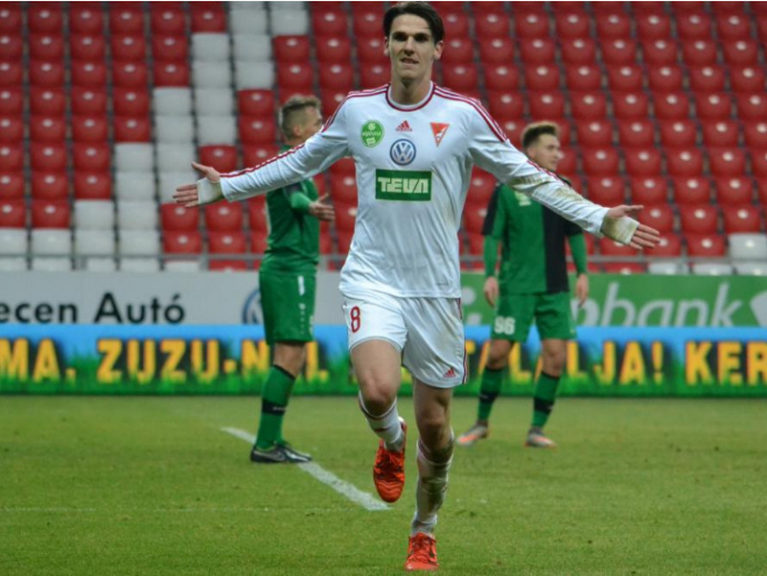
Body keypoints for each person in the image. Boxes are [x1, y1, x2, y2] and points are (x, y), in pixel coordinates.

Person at [174, 2, 660, 570]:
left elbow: (528, 175)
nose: (409, 45)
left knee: (438, 431)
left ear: (437, 49)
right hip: (373, 278)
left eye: (420, 37)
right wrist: (227, 186)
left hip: (435, 291)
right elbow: (298, 163)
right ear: (385, 45)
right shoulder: (358, 111)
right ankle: (390, 440)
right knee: (379, 391)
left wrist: (598, 217)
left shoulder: (464, 116)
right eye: (400, 36)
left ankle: (424, 528)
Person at [457, 122, 589, 450]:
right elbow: (492, 236)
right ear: (531, 151)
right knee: (498, 354)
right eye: (550, 148)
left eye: (558, 148)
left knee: (555, 357)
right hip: (515, 287)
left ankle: (536, 430)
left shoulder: (563, 187)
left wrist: (583, 273)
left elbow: (575, 233)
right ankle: (481, 423)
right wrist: (490, 275)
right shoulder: (507, 189)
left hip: (555, 288)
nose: (557, 154)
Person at [249, 95, 335, 464]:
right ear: (298, 130)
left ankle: (272, 438)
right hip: (289, 268)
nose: (321, 128)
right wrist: (310, 206)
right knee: (290, 354)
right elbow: (294, 198)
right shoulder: (288, 165)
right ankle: (265, 444)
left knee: (289, 355)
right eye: (316, 123)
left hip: (289, 267)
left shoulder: (295, 166)